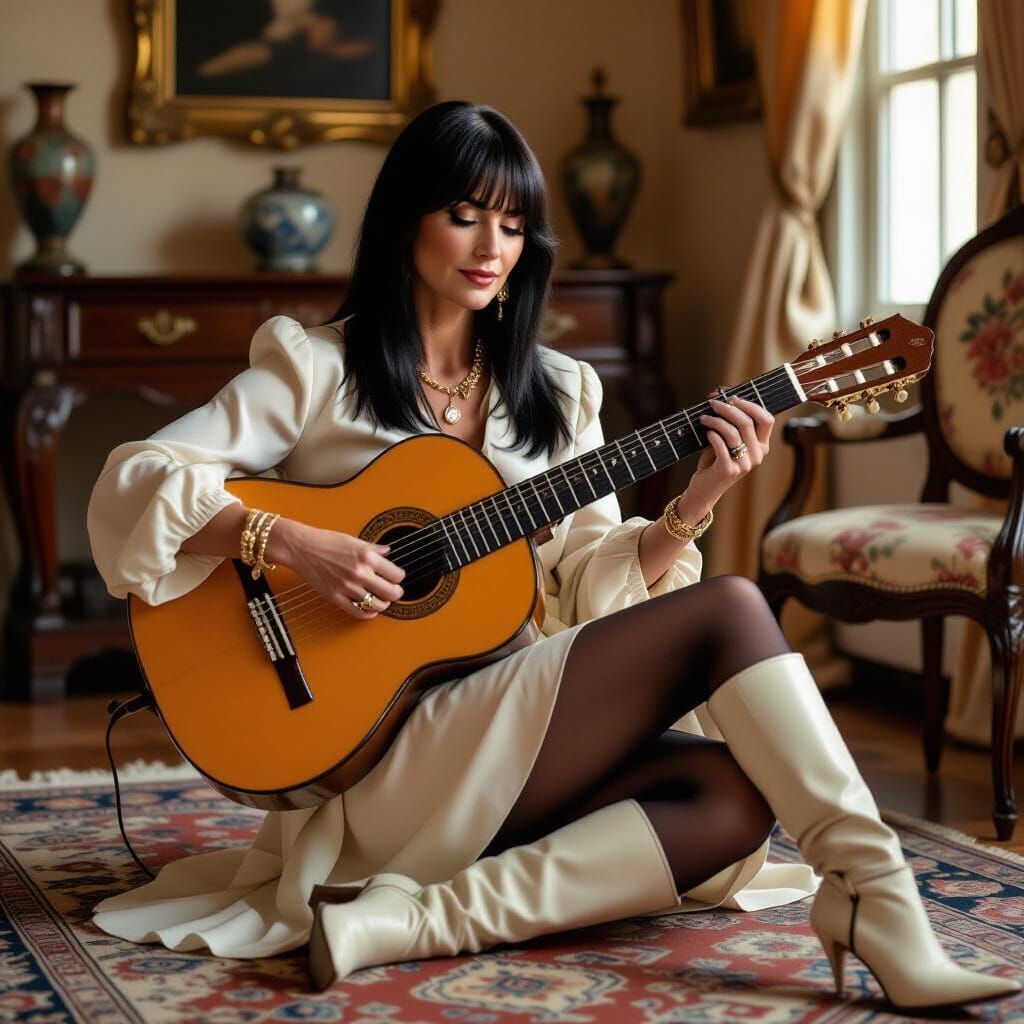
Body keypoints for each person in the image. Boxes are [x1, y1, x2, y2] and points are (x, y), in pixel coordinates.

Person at [87, 101, 1018, 1011]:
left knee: (731, 798)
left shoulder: (560, 393)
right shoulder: (315, 367)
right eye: (465, 216)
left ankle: (405, 924)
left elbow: (588, 591)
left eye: (514, 224)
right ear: (404, 218)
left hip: (513, 736)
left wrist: (694, 503)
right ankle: (879, 897)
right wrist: (287, 538)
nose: (493, 246)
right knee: (733, 608)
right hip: (373, 756)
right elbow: (135, 477)